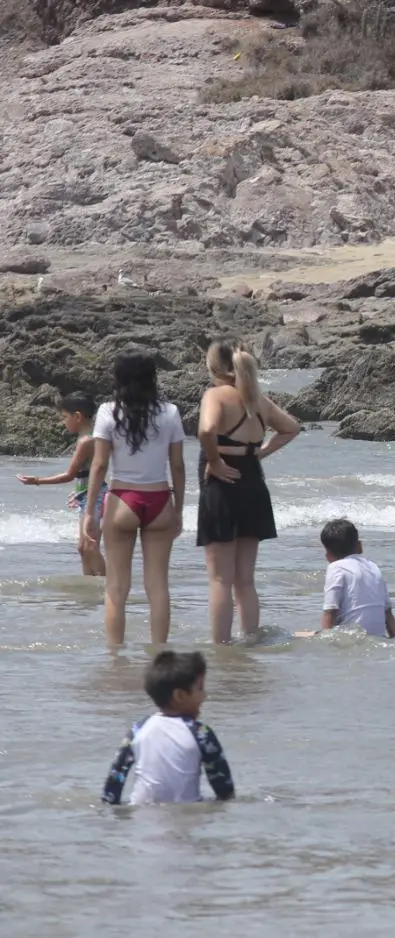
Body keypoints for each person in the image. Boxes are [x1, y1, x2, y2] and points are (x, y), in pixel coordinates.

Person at [196, 342, 301, 644]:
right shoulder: (258, 400)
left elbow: (206, 430)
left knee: (219, 578)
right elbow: (292, 428)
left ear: (213, 368)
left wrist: (214, 461)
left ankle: (221, 648)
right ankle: (251, 640)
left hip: (223, 481)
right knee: (245, 579)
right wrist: (259, 453)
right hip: (253, 482)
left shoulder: (215, 395)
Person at [85, 352, 186, 648]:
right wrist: (178, 508)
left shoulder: (107, 411)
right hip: (159, 499)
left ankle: (116, 657)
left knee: (116, 588)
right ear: (152, 378)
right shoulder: (170, 412)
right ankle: (159, 654)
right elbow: (177, 466)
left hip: (121, 499)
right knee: (158, 586)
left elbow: (100, 465)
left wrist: (89, 511)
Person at [102, 651, 235, 806]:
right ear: (179, 695)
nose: (204, 695)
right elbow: (223, 786)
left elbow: (115, 779)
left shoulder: (138, 730)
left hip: (141, 814)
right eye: (200, 688)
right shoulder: (201, 733)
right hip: (187, 812)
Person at [16, 390, 106, 576]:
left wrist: (37, 481)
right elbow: (86, 473)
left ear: (78, 416)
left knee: (89, 545)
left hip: (93, 497)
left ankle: (109, 585)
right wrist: (79, 492)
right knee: (83, 547)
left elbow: (69, 475)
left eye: (65, 417)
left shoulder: (86, 441)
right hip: (89, 494)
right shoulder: (93, 437)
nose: (64, 422)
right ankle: (88, 588)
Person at [319, 519, 395, 637]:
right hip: (379, 637)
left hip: (352, 638)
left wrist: (325, 640)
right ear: (360, 546)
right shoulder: (373, 567)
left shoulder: (335, 567)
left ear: (328, 555)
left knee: (300, 635)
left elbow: (331, 610)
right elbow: (387, 613)